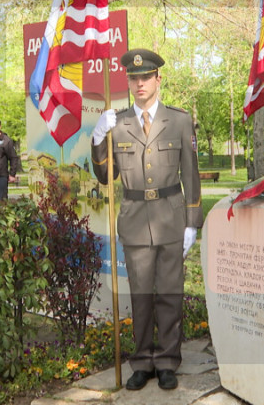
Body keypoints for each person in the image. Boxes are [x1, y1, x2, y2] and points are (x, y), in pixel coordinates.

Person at [90, 48, 202, 392]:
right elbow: (106, 176)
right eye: (134, 78)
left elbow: (191, 174)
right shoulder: (118, 123)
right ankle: (141, 361)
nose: (140, 83)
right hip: (135, 220)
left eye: (146, 77)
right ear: (128, 81)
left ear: (158, 79)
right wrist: (98, 139)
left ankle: (167, 361)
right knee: (140, 296)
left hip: (171, 217)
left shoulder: (179, 120)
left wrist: (192, 222)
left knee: (169, 294)